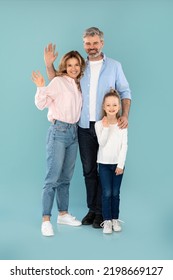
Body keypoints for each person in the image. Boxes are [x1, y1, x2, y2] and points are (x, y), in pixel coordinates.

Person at [44, 27, 131, 228]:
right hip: (83, 127)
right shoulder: (79, 67)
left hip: (107, 127)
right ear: (84, 45)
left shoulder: (115, 66)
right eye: (88, 44)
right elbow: (57, 81)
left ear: (102, 43)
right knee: (89, 170)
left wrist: (125, 115)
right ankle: (93, 209)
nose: (91, 47)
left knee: (105, 168)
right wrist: (49, 64)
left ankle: (103, 212)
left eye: (95, 43)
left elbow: (125, 91)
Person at [32, 50, 85, 236]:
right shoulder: (59, 82)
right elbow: (41, 104)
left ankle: (63, 214)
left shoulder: (78, 85)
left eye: (76, 65)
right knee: (52, 178)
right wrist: (40, 87)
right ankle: (46, 219)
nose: (73, 68)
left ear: (81, 67)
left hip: (74, 133)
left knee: (66, 178)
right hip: (59, 132)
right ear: (64, 67)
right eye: (69, 65)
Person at [95, 89, 128, 234]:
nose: (111, 108)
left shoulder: (122, 125)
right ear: (104, 107)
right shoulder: (99, 124)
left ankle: (115, 219)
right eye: (108, 105)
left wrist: (120, 165)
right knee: (107, 192)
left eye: (114, 105)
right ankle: (107, 221)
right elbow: (101, 143)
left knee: (115, 192)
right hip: (103, 164)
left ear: (119, 107)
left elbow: (124, 146)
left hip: (118, 165)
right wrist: (106, 128)